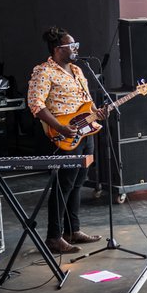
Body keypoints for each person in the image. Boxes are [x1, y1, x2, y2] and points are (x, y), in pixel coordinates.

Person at [26, 27, 103, 255]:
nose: (75, 48)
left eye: (75, 44)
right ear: (57, 49)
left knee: (79, 181)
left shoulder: (78, 70)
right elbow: (36, 105)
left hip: (85, 133)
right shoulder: (44, 72)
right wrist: (60, 127)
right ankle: (54, 236)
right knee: (63, 185)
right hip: (63, 135)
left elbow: (85, 103)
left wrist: (98, 112)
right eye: (71, 45)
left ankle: (73, 230)